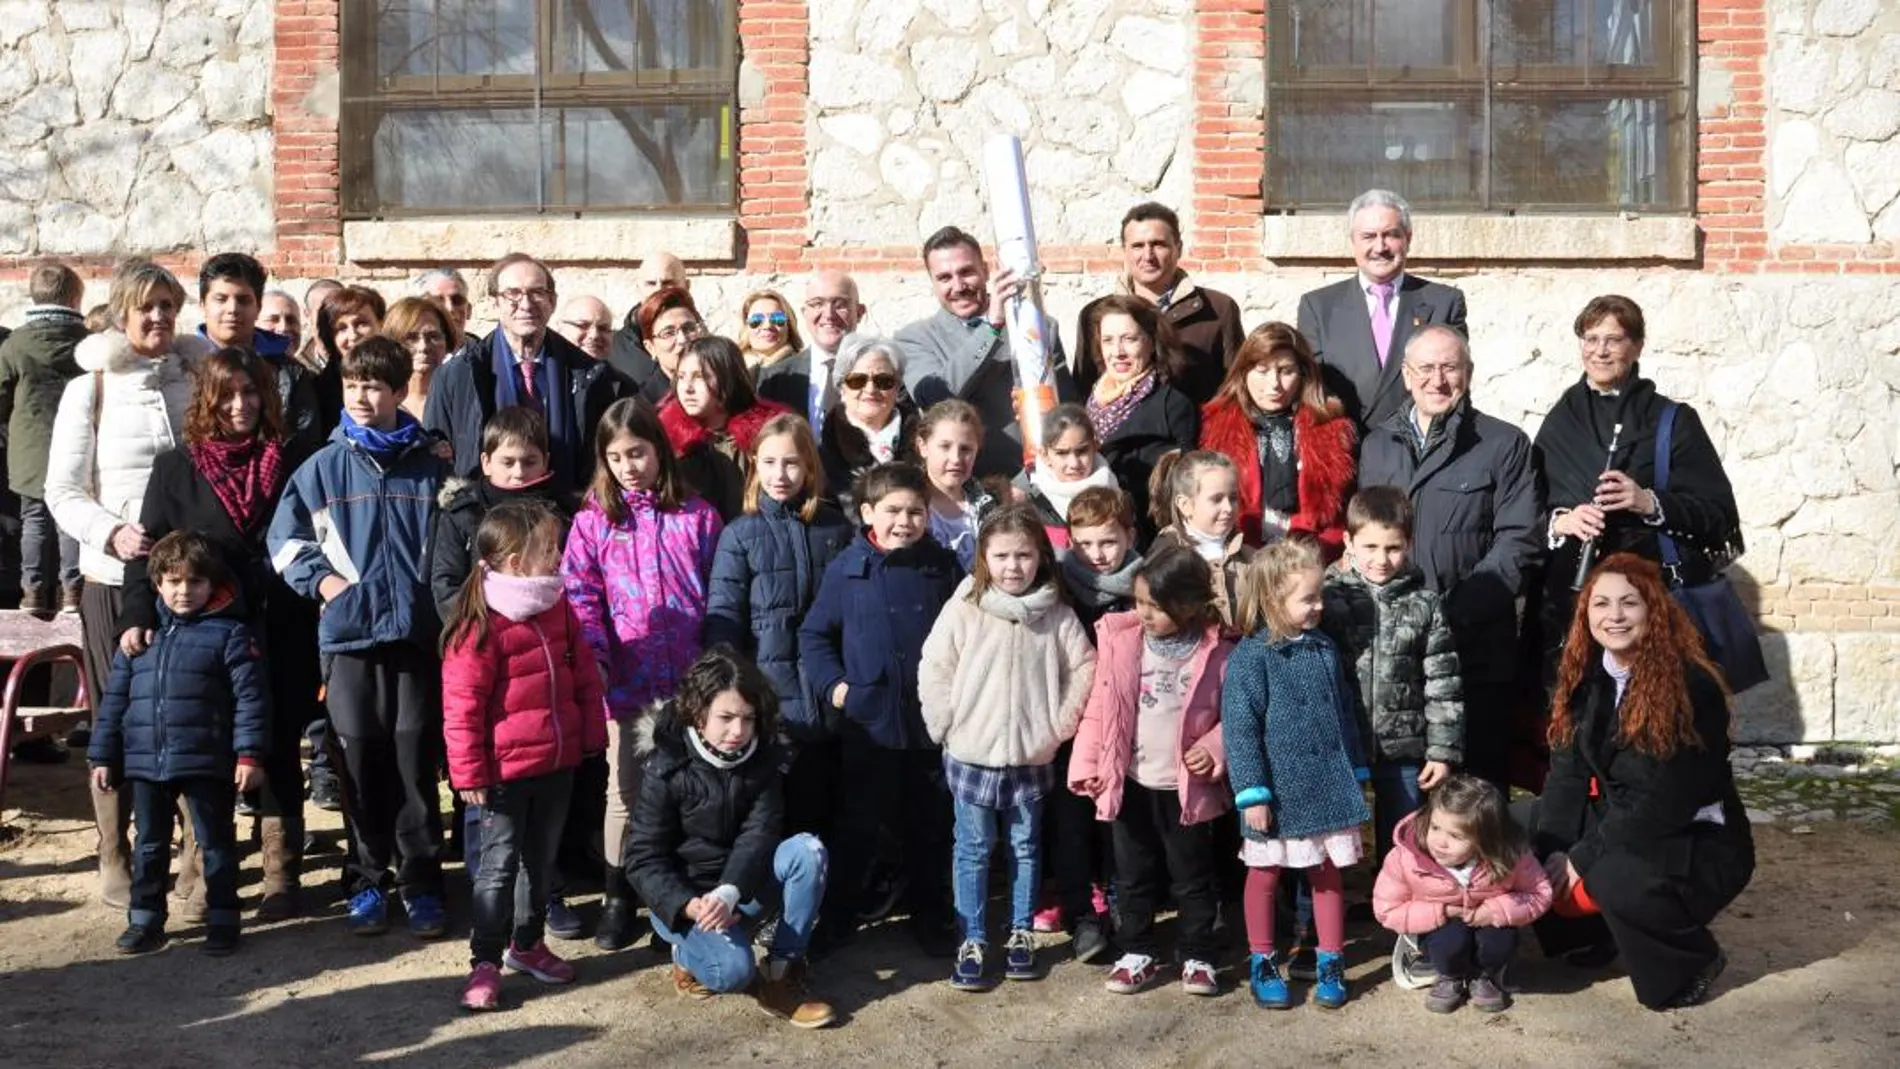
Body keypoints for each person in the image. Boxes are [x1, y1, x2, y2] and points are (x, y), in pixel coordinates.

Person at [119, 348, 319, 923]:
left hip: (283, 624)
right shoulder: (175, 468)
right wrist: (139, 613)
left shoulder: (294, 459)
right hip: (206, 632)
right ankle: (210, 867)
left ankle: (283, 874)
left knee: (279, 742)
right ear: (207, 399)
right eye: (227, 394)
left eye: (251, 392)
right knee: (208, 751)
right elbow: (151, 553)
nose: (241, 405)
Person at [267, 335, 452, 939]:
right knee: (359, 761)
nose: (363, 396)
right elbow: (287, 543)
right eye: (353, 385)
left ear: (400, 391)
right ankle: (368, 879)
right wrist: (323, 586)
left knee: (414, 759)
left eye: (375, 385)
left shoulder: (433, 468)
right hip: (348, 640)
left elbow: (459, 546)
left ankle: (422, 881)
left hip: (417, 640)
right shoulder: (321, 468)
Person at [47, 260, 215, 912]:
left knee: (197, 715)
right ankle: (114, 848)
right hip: (114, 578)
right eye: (146, 308)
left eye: (169, 307)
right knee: (119, 717)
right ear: (122, 313)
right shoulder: (88, 389)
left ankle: (194, 862)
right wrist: (110, 531)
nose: (159, 320)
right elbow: (60, 488)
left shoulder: (194, 376)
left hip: (191, 581)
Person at [1527, 554, 1754, 1011]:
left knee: (1611, 874)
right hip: (1624, 819)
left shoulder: (1693, 687)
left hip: (1694, 839)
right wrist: (1551, 850)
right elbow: (1567, 775)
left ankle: (1692, 960)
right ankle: (1594, 934)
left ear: (1653, 610)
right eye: (1602, 604)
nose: (1614, 616)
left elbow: (1661, 803)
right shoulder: (1584, 679)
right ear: (1585, 613)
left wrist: (1580, 859)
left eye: (1629, 603)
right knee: (1521, 828)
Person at [561, 397, 722, 951]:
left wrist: (714, 669)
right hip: (625, 681)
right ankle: (616, 895)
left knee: (687, 791)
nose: (630, 466)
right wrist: (598, 659)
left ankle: (671, 899)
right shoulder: (592, 523)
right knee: (625, 792)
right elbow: (581, 597)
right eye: (617, 456)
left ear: (660, 451)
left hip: (689, 683)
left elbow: (717, 591)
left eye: (639, 452)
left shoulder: (696, 516)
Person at [1358, 325, 1541, 792]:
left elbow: (1519, 542)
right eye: (1426, 368)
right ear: (1405, 375)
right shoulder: (1378, 445)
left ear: (1469, 374)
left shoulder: (1503, 445)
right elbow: (1365, 535)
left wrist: (1450, 612)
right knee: (1409, 792)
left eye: (1450, 367)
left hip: (1474, 644)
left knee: (1478, 788)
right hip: (1399, 650)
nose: (1437, 379)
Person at [919, 506, 1096, 991]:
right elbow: (934, 666)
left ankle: (1021, 932)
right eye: (1001, 556)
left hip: (1031, 755)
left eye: (1023, 555)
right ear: (983, 557)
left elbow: (1083, 667)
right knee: (973, 849)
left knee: (1024, 846)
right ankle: (972, 938)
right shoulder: (965, 608)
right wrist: (946, 723)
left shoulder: (1056, 614)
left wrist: (1056, 726)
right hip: (971, 752)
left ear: (1041, 557)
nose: (1013, 566)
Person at [441, 500, 608, 1011]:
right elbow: (462, 707)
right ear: (515, 562)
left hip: (555, 764)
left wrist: (590, 735)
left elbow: (582, 673)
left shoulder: (557, 605)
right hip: (502, 775)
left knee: (540, 863)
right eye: (548, 548)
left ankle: (528, 945)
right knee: (497, 868)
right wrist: (467, 773)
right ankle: (485, 961)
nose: (558, 555)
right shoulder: (479, 624)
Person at [1533, 295, 1745, 690]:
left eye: (1613, 340)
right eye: (1590, 338)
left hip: (1653, 604)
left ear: (1637, 346)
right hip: (1574, 605)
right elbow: (1527, 507)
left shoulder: (1673, 421)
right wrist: (1563, 520)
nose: (1600, 351)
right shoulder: (1560, 420)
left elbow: (1719, 517)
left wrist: (1648, 502)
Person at [799, 462, 964, 957]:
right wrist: (838, 689)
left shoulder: (940, 566)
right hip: (869, 722)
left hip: (930, 722)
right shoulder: (847, 569)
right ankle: (840, 914)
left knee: (931, 825)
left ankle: (930, 916)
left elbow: (964, 631)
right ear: (868, 512)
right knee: (859, 825)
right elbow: (814, 635)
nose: (905, 521)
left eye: (916, 511)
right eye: (893, 510)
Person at [624, 648, 838, 1028]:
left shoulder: (765, 759)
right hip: (685, 903)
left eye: (748, 719)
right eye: (725, 717)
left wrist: (729, 891)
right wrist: (688, 905)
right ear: (698, 712)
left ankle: (780, 971)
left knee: (808, 850)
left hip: (739, 890)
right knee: (733, 975)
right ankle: (685, 956)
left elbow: (761, 833)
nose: (738, 732)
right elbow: (642, 858)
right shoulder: (665, 765)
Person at [88, 531, 267, 956]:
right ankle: (145, 919)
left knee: (216, 843)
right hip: (146, 763)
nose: (184, 592)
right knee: (149, 843)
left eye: (195, 582)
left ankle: (223, 917)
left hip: (206, 760)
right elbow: (114, 702)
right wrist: (103, 755)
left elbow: (250, 699)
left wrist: (249, 753)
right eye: (173, 582)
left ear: (212, 585)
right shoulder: (138, 640)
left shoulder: (230, 635)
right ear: (158, 584)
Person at [1069, 546, 1232, 995]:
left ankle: (1198, 954)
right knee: (1132, 874)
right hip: (1131, 782)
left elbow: (1235, 717)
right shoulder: (1122, 642)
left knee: (1192, 878)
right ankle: (1136, 950)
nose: (1143, 613)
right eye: (1139, 602)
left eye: (1156, 607)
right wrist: (1088, 764)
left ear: (1190, 605)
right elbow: (1101, 708)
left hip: (1186, 789)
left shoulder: (1218, 652)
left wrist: (1214, 748)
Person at [1224, 538, 1371, 1011]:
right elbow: (1241, 729)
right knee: (1264, 875)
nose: (1318, 606)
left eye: (1319, 595)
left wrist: (1356, 766)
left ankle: (1330, 960)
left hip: (1327, 784)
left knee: (1327, 875)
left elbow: (1344, 711)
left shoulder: (1325, 648)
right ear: (1271, 599)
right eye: (1307, 597)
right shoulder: (1252, 657)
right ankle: (1262, 960)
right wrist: (1253, 793)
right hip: (1276, 793)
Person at [704, 414, 853, 840]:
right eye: (768, 463)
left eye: (790, 463)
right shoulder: (740, 535)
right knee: (771, 817)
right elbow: (724, 620)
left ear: (809, 466)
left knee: (825, 808)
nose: (780, 474)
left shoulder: (834, 529)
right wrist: (730, 693)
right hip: (768, 703)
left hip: (829, 694)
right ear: (754, 466)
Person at [1321, 486, 1464, 866]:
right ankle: (1310, 918)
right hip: (1340, 742)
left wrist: (1442, 750)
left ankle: (1400, 912)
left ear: (1409, 544)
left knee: (1404, 839)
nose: (1381, 559)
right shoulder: (1327, 598)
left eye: (1393, 548)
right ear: (1348, 541)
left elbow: (1443, 684)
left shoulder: (1426, 604)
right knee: (1327, 839)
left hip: (1403, 747)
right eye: (1370, 547)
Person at [425, 253, 630, 488]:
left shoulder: (589, 375)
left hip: (566, 514)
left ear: (552, 301)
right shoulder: (455, 376)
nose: (525, 304)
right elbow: (438, 463)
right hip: (484, 517)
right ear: (495, 302)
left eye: (537, 293)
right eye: (513, 294)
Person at [899, 226, 1072, 479]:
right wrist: (991, 327)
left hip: (1033, 482)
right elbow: (935, 396)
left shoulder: (1037, 328)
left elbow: (1069, 410)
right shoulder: (914, 338)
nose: (958, 286)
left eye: (966, 272)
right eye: (945, 277)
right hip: (960, 490)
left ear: (985, 269)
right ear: (932, 282)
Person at [1372, 775, 1552, 1014]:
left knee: (1499, 941)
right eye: (1435, 827)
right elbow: (1387, 909)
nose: (1440, 842)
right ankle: (1449, 975)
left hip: (1488, 917)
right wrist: (1441, 911)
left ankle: (1485, 975)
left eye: (1456, 836)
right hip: (1438, 923)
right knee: (1450, 942)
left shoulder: (1510, 855)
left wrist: (1494, 910)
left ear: (1485, 839)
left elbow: (1539, 893)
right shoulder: (1407, 858)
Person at [1296, 190, 1469, 435]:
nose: (1380, 247)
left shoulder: (1444, 303)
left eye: (1391, 235)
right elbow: (1311, 391)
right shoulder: (1318, 307)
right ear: (1352, 241)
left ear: (1408, 238)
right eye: (1368, 236)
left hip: (1420, 451)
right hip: (1348, 453)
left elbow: (1456, 386)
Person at [1198, 322, 1356, 555]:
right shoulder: (1216, 428)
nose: (1274, 384)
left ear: (1303, 375)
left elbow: (1340, 514)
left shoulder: (1331, 430)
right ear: (1244, 372)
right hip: (1237, 555)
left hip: (1310, 558)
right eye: (1262, 371)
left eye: (1286, 371)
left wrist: (1311, 555)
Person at [1072, 202, 1245, 406]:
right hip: (1116, 436)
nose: (1148, 256)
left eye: (1158, 244)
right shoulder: (1095, 315)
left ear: (1178, 249)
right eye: (1137, 246)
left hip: (1195, 436)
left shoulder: (1218, 309)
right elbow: (1082, 393)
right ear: (1124, 251)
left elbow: (1236, 388)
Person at [0, 261, 88, 614]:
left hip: (29, 449)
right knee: (70, 522)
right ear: (75, 298)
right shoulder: (86, 343)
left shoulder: (15, 345)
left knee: (34, 521)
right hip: (78, 444)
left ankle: (32, 591)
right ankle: (73, 592)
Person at [1084, 295, 1199, 532]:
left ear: (1151, 342)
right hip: (1094, 538)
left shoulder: (1174, 406)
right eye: (1107, 340)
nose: (1117, 352)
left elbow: (1188, 489)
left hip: (1149, 538)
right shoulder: (1092, 401)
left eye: (1130, 339)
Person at [198, 253, 327, 461]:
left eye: (243, 300)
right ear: (203, 305)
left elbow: (305, 450)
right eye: (220, 299)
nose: (232, 309)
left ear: (257, 307)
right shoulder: (183, 366)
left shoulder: (289, 373)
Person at [658, 335, 794, 521]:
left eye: (700, 377)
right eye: (681, 377)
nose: (687, 388)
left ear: (727, 378)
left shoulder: (768, 436)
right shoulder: (668, 440)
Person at [1148, 451, 1251, 632]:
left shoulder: (1248, 555)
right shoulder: (1166, 556)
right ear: (1185, 505)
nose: (1228, 508)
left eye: (1233, 498)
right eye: (1216, 499)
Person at [816, 334, 917, 515]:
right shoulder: (821, 458)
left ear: (897, 387)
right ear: (841, 387)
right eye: (857, 381)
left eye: (883, 381)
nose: (870, 389)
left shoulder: (925, 445)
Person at [758, 270, 866, 431]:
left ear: (859, 312)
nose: (828, 315)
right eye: (817, 304)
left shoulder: (886, 376)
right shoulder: (776, 380)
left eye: (840, 304)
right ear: (805, 313)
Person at [1015, 404, 1119, 551]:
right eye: (1062, 453)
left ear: (1095, 446)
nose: (1074, 464)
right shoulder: (1025, 500)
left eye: (1082, 451)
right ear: (1045, 455)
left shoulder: (1114, 492)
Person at [916, 399, 1005, 570]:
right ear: (923, 446)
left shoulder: (994, 505)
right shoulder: (906, 507)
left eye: (965, 449)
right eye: (945, 446)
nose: (956, 459)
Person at [1059, 486, 1144, 639]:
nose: (1096, 555)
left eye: (1108, 543)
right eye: (1085, 544)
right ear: (1071, 543)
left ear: (1130, 538)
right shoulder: (1060, 587)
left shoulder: (1149, 585)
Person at [607, 250, 688, 396]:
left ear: (686, 286)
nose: (659, 290)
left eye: (668, 283)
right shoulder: (611, 349)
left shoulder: (707, 347)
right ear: (638, 288)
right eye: (651, 283)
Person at [313, 285, 388, 439]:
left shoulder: (402, 375)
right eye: (341, 328)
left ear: (381, 324)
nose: (352, 335)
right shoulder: (318, 392)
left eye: (361, 323)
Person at [622, 285, 704, 404]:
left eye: (689, 328)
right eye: (668, 333)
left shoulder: (721, 390)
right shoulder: (644, 407)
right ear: (650, 348)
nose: (682, 340)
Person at [383, 296, 457, 425]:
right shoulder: (380, 401)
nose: (423, 347)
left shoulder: (461, 399)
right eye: (411, 338)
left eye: (433, 336)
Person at [415, 267, 479, 362]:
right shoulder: (405, 361)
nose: (450, 308)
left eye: (457, 300)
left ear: (468, 310)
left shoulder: (491, 360)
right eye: (438, 301)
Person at [736, 289, 804, 377]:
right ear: (746, 328)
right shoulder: (731, 370)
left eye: (777, 318)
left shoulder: (804, 369)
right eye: (756, 320)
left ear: (789, 326)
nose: (767, 326)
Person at [295, 278, 343, 373]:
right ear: (307, 314)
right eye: (323, 311)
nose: (331, 317)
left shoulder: (369, 362)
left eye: (337, 310)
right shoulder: (297, 370)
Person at [554, 296, 613, 363]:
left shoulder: (615, 373)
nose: (594, 335)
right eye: (583, 326)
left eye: (603, 328)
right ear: (560, 328)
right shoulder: (543, 370)